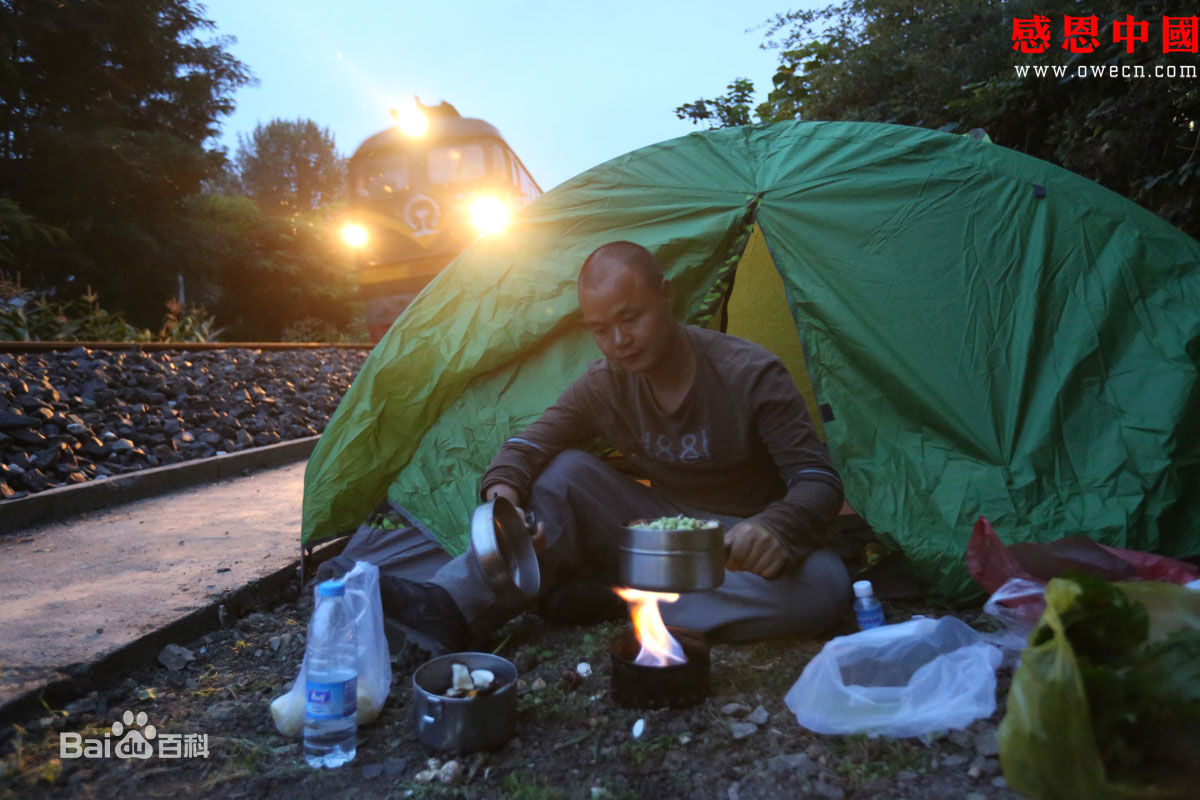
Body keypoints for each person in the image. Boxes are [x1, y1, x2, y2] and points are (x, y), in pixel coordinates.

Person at [379, 241, 850, 656]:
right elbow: (528, 443)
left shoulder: (750, 373)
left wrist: (778, 527)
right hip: (654, 525)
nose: (619, 342)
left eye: (630, 317)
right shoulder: (603, 385)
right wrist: (502, 500)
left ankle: (616, 595)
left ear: (666, 295)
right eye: (600, 329)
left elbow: (818, 479)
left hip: (735, 542)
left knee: (826, 586)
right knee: (562, 472)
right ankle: (449, 606)